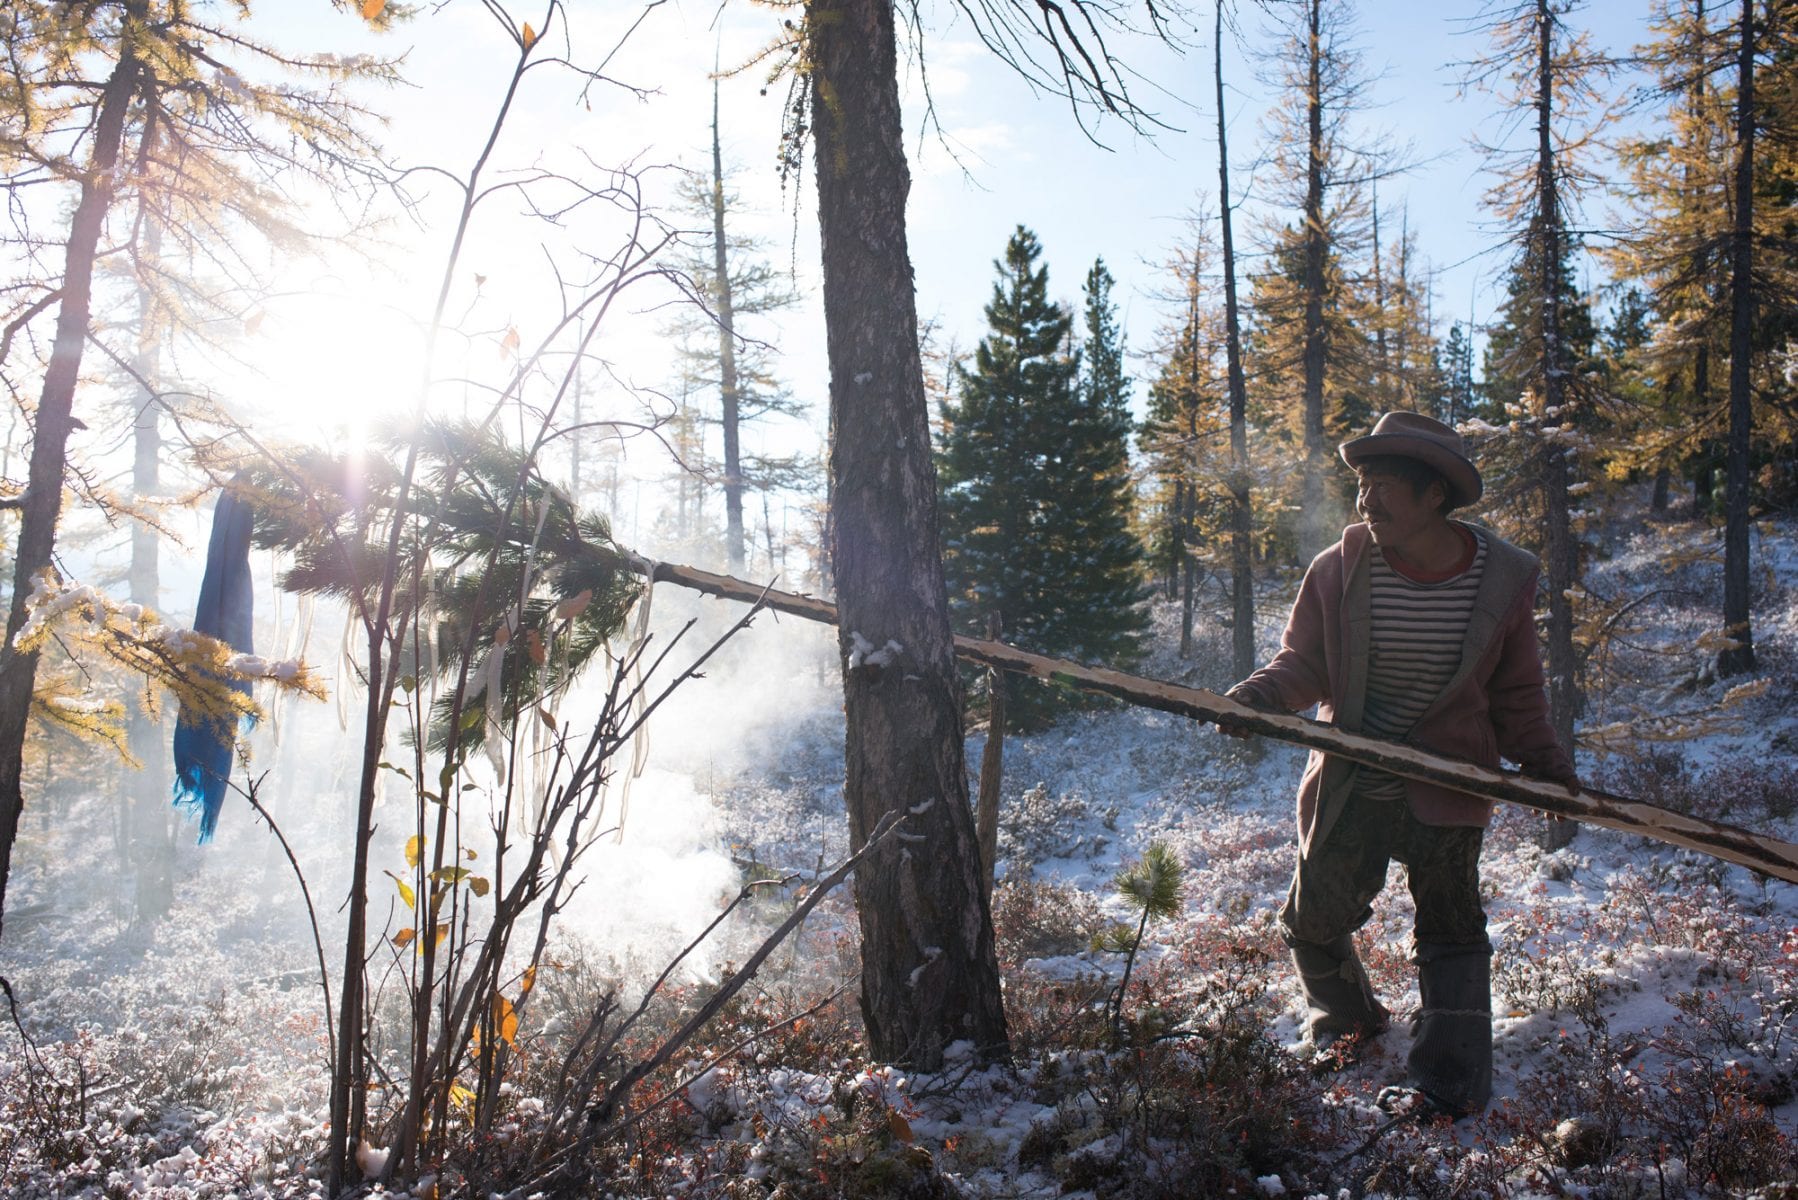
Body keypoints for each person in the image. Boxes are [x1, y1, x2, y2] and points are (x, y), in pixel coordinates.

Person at [1221, 411, 1578, 1120]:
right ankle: (1348, 1025)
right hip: (1353, 779)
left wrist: (1542, 762)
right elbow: (1307, 663)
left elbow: (1515, 691)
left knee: (1450, 927)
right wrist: (1263, 695)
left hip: (1449, 784)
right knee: (1312, 918)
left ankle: (1449, 1081)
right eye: (1361, 485)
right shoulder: (1341, 567)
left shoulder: (1502, 579)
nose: (1367, 501)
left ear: (1434, 496)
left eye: (1385, 487)